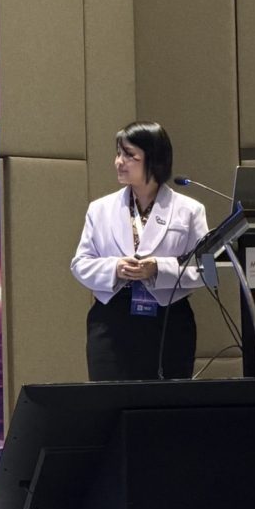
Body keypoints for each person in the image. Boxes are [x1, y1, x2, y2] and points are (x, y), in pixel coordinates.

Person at [70, 121, 208, 381]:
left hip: (169, 320)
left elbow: (207, 270)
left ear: (154, 159)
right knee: (110, 400)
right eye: (118, 154)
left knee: (167, 402)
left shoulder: (190, 210)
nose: (118, 162)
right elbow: (80, 264)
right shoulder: (100, 209)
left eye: (129, 155)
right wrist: (115, 267)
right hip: (112, 320)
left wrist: (158, 268)